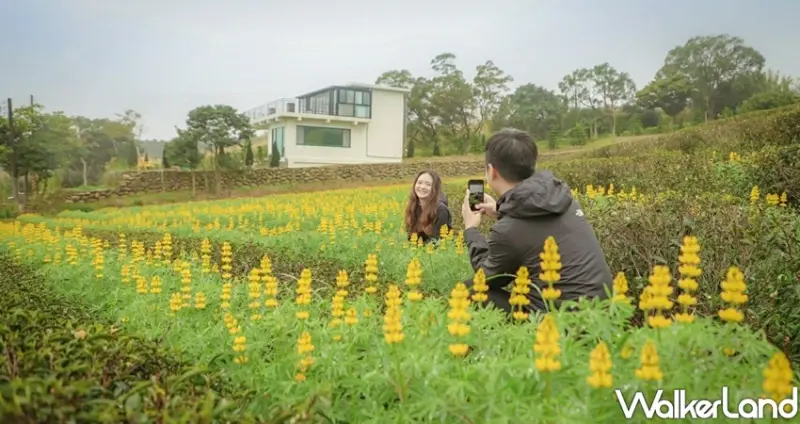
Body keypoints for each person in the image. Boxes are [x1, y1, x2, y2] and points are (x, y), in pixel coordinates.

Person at [460, 128, 613, 314]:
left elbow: (488, 277)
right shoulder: (562, 198)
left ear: (491, 172)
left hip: (557, 323)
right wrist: (501, 210)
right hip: (603, 313)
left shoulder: (508, 230)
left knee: (466, 292)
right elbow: (531, 228)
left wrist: (470, 229)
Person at [404, 170, 452, 244]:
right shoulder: (413, 206)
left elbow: (436, 241)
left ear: (435, 188)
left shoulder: (441, 210)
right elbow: (410, 237)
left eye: (428, 184)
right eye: (419, 183)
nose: (422, 187)